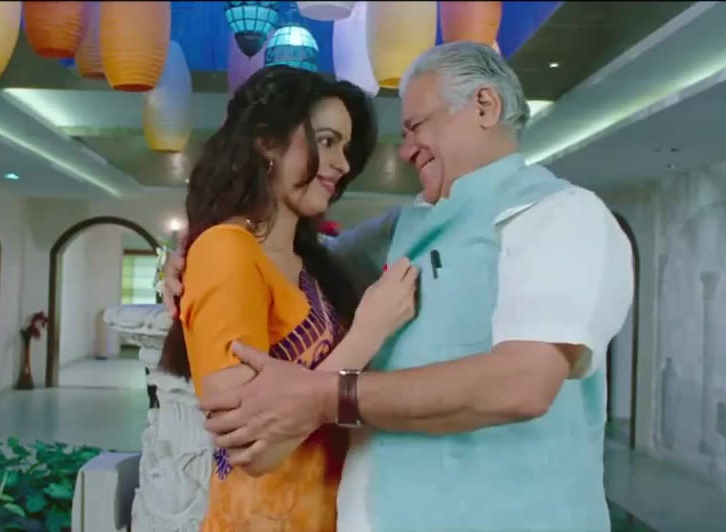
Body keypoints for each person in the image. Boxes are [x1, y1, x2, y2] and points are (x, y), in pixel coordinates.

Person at [163, 42, 634, 531]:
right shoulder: (404, 229)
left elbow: (523, 384)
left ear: (484, 106)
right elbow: (281, 263)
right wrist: (190, 262)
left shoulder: (560, 215)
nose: (406, 150)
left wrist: (326, 395)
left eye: (416, 126)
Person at [156, 65, 420, 532]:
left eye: (345, 147)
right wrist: (369, 332)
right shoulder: (225, 250)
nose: (342, 164)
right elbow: (252, 449)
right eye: (326, 141)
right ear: (266, 142)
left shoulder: (311, 261)